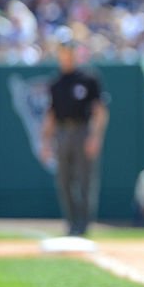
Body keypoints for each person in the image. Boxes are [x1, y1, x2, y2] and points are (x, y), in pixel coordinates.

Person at [40, 35, 109, 237]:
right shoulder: (56, 82)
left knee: (85, 180)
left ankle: (83, 224)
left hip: (82, 130)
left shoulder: (88, 78)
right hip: (62, 132)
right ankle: (71, 223)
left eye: (69, 51)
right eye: (63, 51)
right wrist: (45, 142)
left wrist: (95, 136)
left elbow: (100, 111)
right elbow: (51, 115)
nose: (66, 56)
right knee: (64, 180)